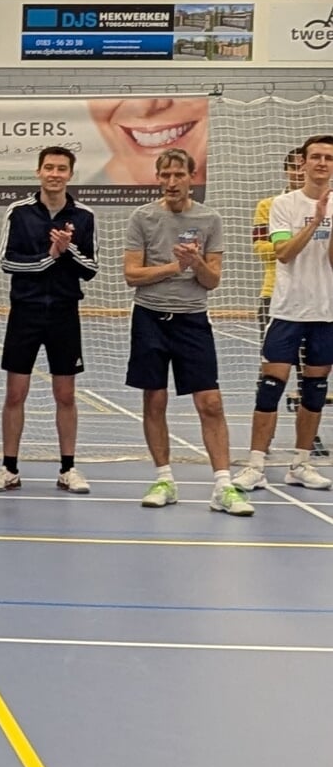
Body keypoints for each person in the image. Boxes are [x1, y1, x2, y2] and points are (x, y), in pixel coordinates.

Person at [125, 149, 250, 514]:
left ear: (191, 178)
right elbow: (132, 274)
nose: (172, 182)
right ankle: (164, 478)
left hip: (193, 320)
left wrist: (196, 264)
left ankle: (223, 486)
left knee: (210, 402)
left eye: (179, 174)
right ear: (158, 178)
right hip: (149, 317)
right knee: (155, 399)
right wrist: (172, 266)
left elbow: (213, 281)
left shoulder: (210, 219)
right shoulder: (142, 217)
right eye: (165, 175)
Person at [0, 146, 97, 496]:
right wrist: (50, 257)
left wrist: (69, 249)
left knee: (65, 393)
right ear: (38, 172)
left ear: (70, 174)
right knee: (15, 392)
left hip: (65, 313)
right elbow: (7, 262)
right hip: (26, 312)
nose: (54, 174)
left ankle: (68, 468)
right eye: (49, 167)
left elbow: (90, 269)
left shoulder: (84, 215)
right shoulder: (18, 212)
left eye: (62, 168)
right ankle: (9, 467)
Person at [233, 133, 333, 494]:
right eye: (316, 157)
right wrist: (314, 221)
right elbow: (283, 253)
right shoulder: (282, 204)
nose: (322, 163)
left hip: (326, 312)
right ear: (303, 163)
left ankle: (301, 463)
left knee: (314, 391)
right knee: (270, 388)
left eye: (328, 158)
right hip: (288, 309)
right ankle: (256, 463)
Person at [254, 147, 306, 331]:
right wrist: (296, 244)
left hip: (315, 295)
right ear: (286, 171)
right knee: (273, 358)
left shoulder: (325, 206)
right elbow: (260, 249)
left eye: (303, 167)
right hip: (274, 292)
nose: (299, 172)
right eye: (293, 167)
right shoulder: (266, 206)